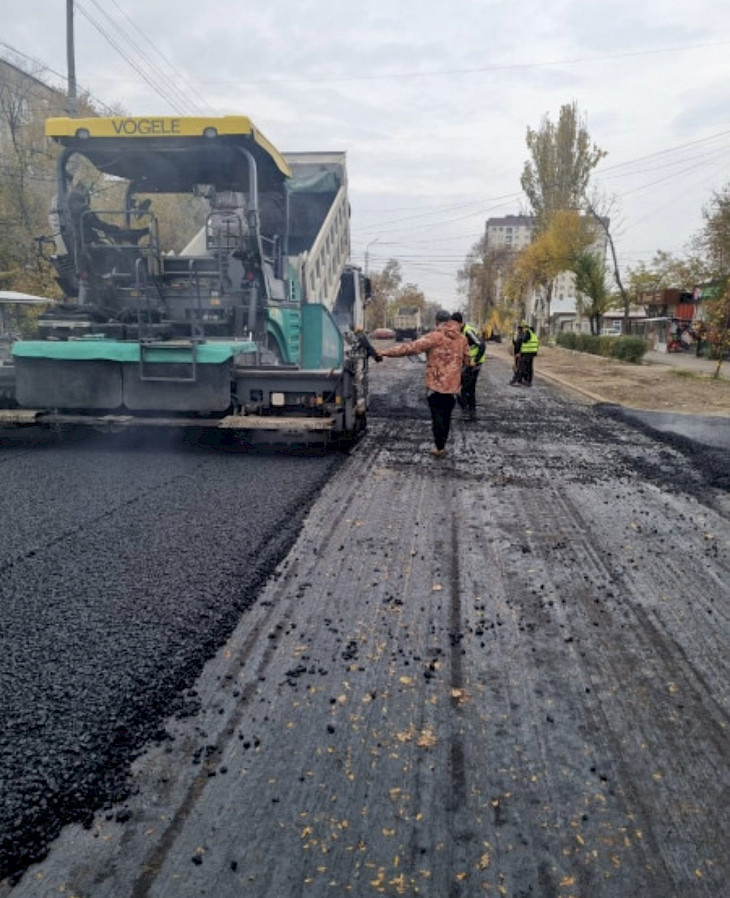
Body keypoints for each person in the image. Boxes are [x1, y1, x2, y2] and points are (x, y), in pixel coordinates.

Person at [377, 309, 471, 458]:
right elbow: (467, 360)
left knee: (437, 416)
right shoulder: (462, 339)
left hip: (436, 384)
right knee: (446, 416)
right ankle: (442, 445)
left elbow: (410, 348)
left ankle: (439, 447)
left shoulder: (434, 337)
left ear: (436, 322)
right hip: (452, 387)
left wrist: (385, 352)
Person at [451, 311, 486, 421]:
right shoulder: (460, 332)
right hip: (467, 364)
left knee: (466, 388)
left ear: (459, 323)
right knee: (467, 388)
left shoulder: (468, 331)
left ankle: (467, 411)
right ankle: (470, 412)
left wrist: (475, 360)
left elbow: (481, 345)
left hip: (474, 364)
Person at [510, 320, 539, 386]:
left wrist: (519, 339)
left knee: (523, 367)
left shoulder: (527, 333)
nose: (521, 330)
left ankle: (521, 380)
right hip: (530, 352)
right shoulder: (531, 333)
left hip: (527, 352)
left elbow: (524, 341)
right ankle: (526, 380)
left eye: (521, 328)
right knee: (527, 367)